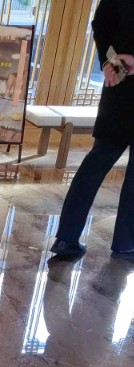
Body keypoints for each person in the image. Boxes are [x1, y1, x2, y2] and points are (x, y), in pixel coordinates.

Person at [51, 0, 134, 261]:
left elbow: (101, 24)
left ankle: (66, 238)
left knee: (94, 165)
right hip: (121, 80)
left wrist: (111, 64)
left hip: (119, 84)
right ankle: (126, 244)